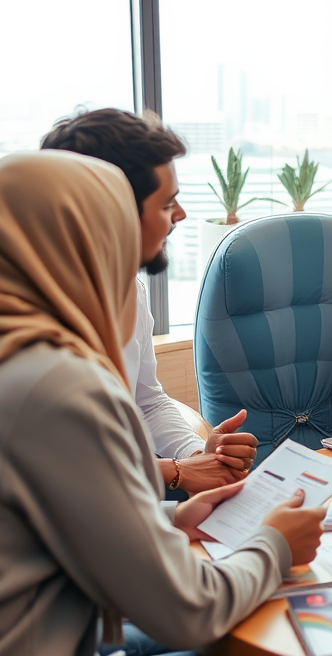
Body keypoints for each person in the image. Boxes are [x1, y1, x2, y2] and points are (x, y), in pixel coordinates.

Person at [0, 151, 326, 656]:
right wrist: (277, 544)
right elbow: (188, 611)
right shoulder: (59, 386)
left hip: (44, 645)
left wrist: (165, 515)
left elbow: (35, 520)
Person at [42, 108, 256, 495]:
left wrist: (198, 455)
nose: (181, 215)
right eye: (165, 204)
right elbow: (58, 465)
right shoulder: (22, 323)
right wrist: (175, 472)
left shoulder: (129, 291)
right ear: (110, 211)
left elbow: (148, 402)